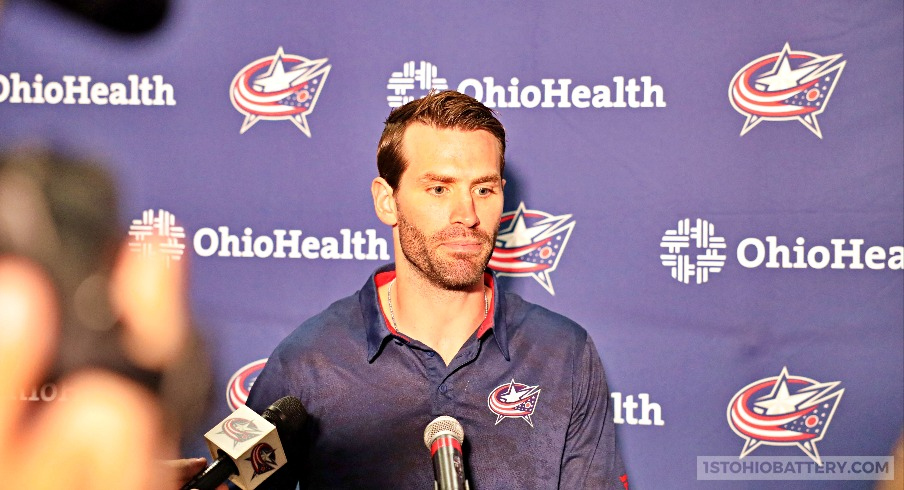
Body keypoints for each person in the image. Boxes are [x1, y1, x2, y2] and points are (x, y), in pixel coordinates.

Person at [246, 90, 627, 489]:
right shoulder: (311, 360)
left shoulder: (563, 353)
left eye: (483, 189)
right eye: (439, 189)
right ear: (387, 201)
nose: (467, 215)